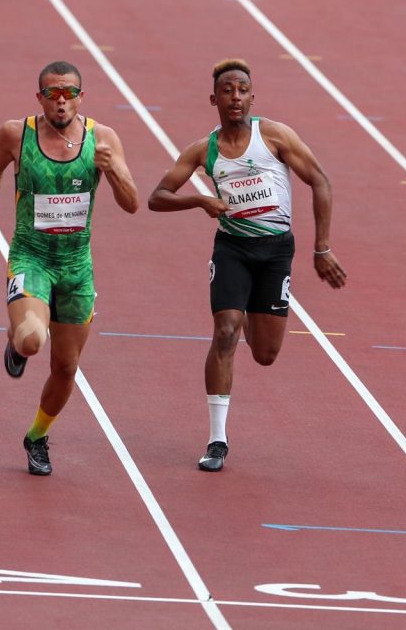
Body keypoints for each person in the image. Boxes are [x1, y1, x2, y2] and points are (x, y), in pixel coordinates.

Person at [148, 58, 346, 472]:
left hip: (276, 253)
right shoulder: (204, 150)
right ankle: (217, 440)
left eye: (242, 90)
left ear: (252, 96)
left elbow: (321, 180)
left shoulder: (274, 136)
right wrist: (200, 200)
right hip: (232, 249)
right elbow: (158, 196)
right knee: (225, 330)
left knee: (265, 354)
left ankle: (255, 313)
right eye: (227, 90)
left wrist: (322, 248)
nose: (235, 97)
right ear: (214, 98)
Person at [0, 61, 139, 476]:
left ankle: (37, 437)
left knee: (66, 368)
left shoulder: (103, 139)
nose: (61, 100)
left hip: (77, 267)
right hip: (31, 257)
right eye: (52, 93)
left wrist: (113, 168)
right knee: (33, 340)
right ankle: (16, 340)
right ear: (40, 98)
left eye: (69, 92)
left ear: (82, 97)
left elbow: (132, 202)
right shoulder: (17, 134)